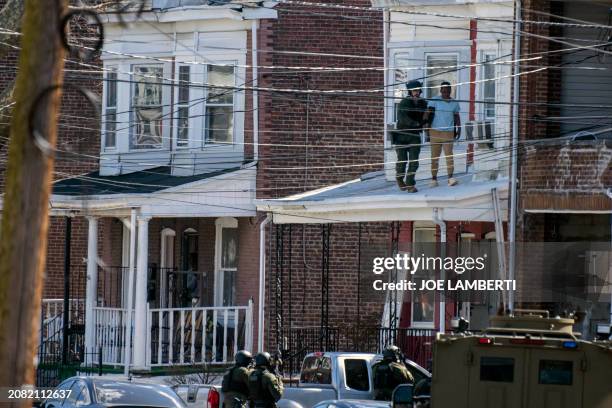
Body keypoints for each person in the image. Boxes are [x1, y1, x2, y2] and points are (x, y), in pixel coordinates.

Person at [423, 81, 461, 187]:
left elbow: (456, 116)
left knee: (449, 155)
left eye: (448, 91)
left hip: (448, 132)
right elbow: (427, 112)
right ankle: (434, 179)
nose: (446, 93)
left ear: (450, 91)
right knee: (434, 156)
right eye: (443, 91)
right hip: (434, 131)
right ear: (440, 91)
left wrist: (459, 128)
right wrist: (425, 125)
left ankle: (450, 178)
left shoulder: (454, 103)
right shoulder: (435, 100)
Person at [393, 80, 428, 193]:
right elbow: (403, 118)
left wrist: (427, 119)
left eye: (418, 90)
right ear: (410, 91)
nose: (416, 93)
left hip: (415, 135)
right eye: (414, 91)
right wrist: (416, 124)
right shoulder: (404, 102)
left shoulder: (423, 103)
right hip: (402, 134)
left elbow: (425, 117)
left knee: (414, 161)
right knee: (402, 160)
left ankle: (410, 183)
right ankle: (399, 178)